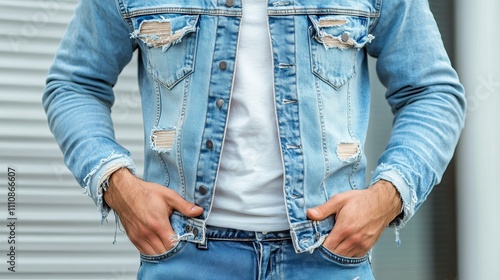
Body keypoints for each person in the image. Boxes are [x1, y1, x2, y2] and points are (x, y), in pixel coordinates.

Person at [43, 0, 466, 279]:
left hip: (328, 257)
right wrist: (118, 186)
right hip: (186, 256)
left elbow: (431, 92)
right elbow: (74, 84)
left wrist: (386, 198)